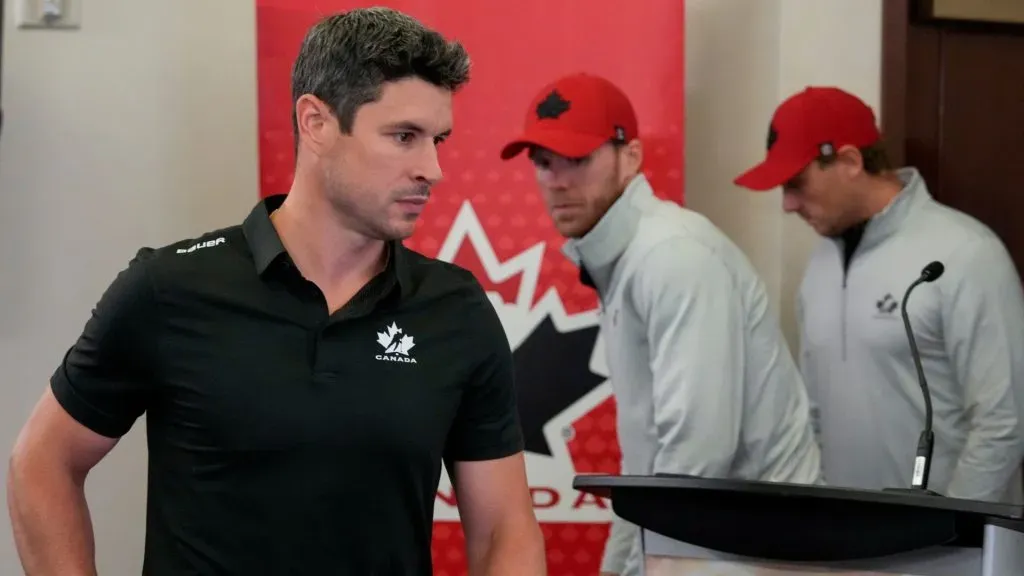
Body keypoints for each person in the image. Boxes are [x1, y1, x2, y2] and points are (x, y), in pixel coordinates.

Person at [7, 8, 546, 575]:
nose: (432, 168)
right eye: (404, 137)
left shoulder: (455, 311)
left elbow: (504, 529)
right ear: (315, 122)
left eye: (438, 139)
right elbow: (42, 461)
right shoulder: (169, 290)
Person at [500, 72, 824, 576]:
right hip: (719, 544)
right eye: (543, 163)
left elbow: (697, 456)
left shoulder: (672, 257)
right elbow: (647, 460)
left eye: (579, 159)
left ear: (630, 158)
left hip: (752, 552)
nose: (557, 181)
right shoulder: (625, 259)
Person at [734, 86, 1024, 503]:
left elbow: (1004, 421)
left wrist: (952, 529)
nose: (788, 205)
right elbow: (814, 416)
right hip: (851, 547)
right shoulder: (819, 268)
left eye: (796, 183)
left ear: (851, 161)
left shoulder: (966, 253)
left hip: (952, 552)